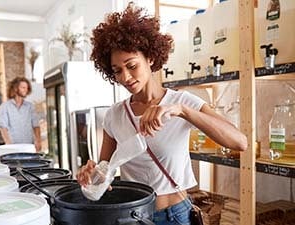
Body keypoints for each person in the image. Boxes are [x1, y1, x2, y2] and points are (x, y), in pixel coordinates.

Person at [76, 4, 247, 225]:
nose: (126, 77)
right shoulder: (114, 115)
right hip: (133, 217)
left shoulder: (182, 102)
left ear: (150, 58)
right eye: (117, 70)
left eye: (132, 65)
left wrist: (182, 112)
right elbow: (104, 176)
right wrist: (91, 177)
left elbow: (240, 142)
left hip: (174, 216)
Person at [0, 77, 41, 151]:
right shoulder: (5, 107)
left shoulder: (30, 106)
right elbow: (3, 127)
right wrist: (8, 144)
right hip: (13, 148)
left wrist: (38, 141)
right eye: (23, 87)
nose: (25, 90)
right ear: (15, 88)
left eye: (27, 88)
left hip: (29, 147)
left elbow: (36, 125)